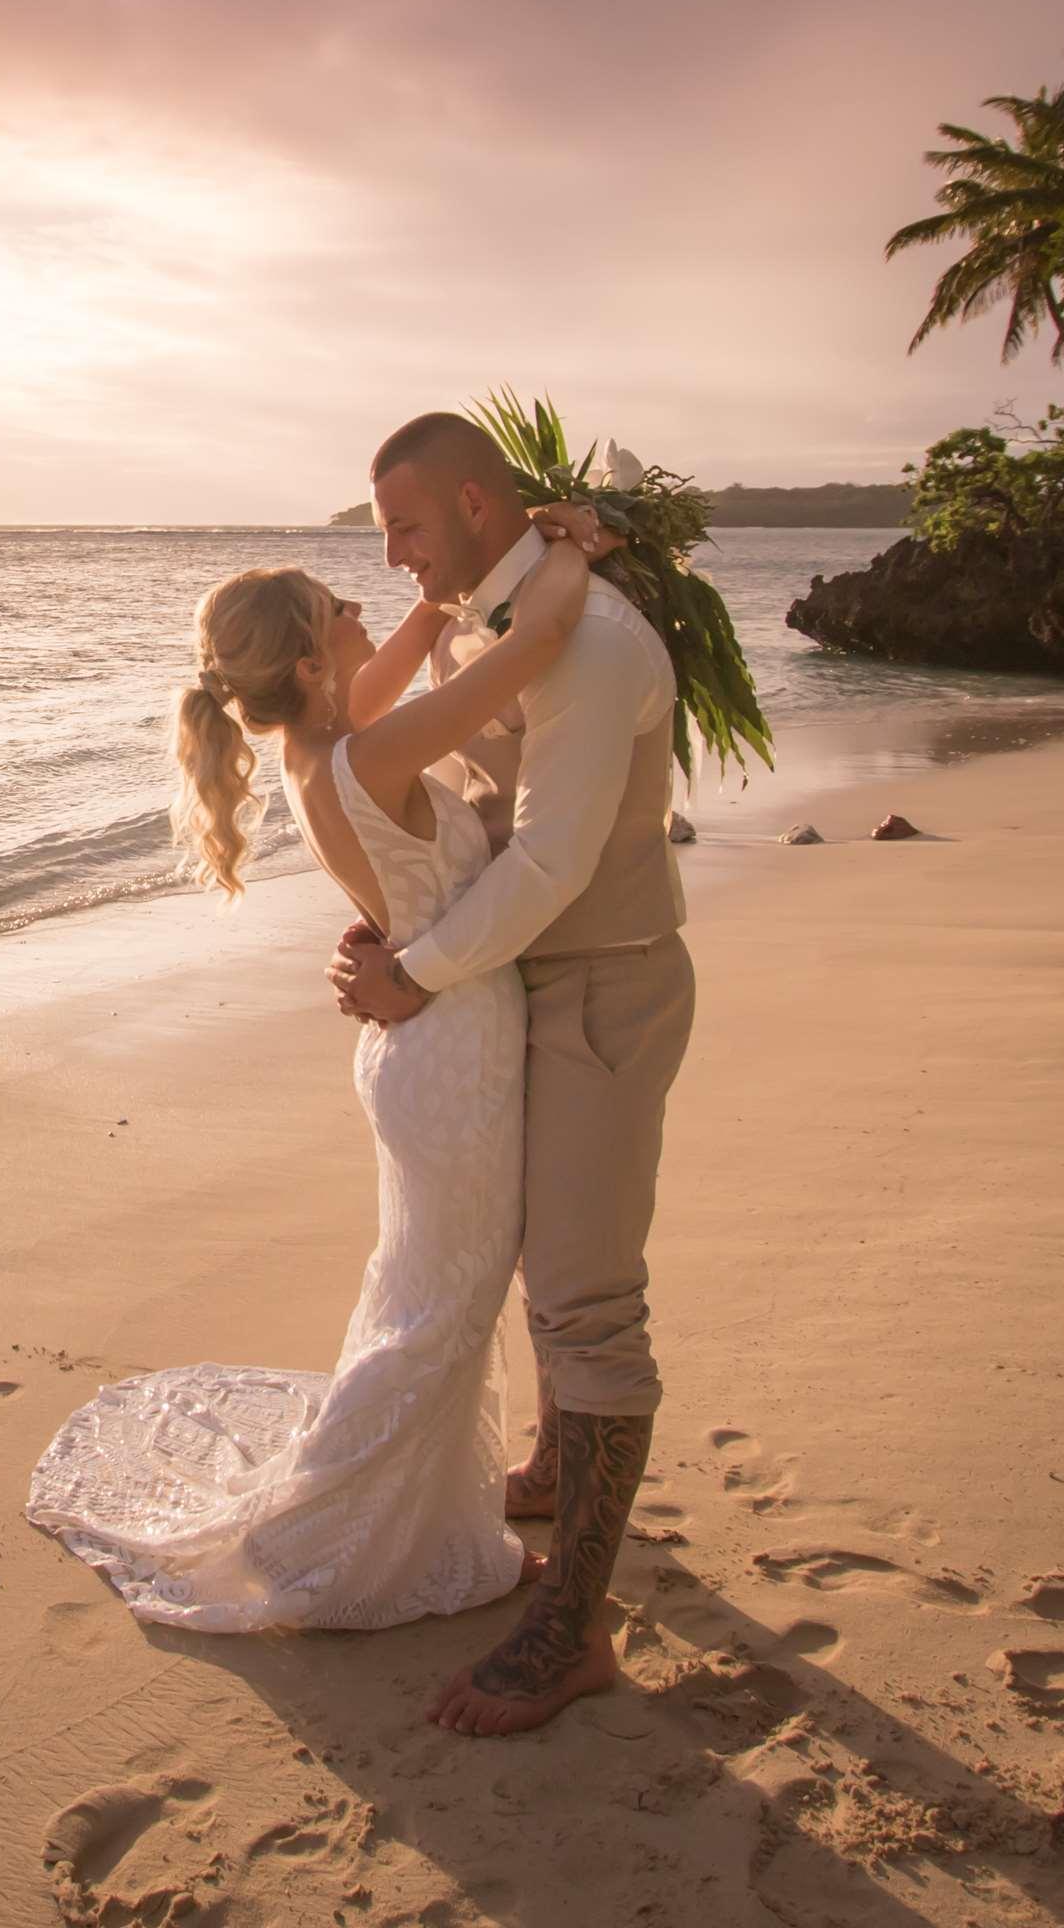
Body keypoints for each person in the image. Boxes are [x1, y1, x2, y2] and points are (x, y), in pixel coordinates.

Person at [22, 511, 599, 1635]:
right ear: (302, 659)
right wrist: (575, 548)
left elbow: (410, 643)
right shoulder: (370, 750)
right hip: (452, 1044)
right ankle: (320, 1535)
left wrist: (448, 583)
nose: (359, 609)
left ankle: (427, 1521)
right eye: (339, 612)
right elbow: (537, 645)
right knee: (443, 1312)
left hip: (417, 1046)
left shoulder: (323, 748)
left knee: (429, 1297)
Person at [331, 409, 694, 1736]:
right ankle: (554, 1462)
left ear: (480, 506)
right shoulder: (508, 622)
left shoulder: (588, 641)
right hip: (522, 982)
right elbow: (477, 819)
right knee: (537, 1266)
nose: (392, 559)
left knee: (589, 1298)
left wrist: (417, 974)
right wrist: (404, 923)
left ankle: (573, 1627)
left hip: (603, 989)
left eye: (406, 529)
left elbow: (550, 866)